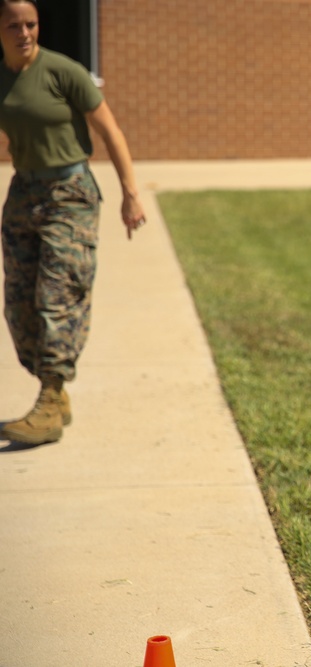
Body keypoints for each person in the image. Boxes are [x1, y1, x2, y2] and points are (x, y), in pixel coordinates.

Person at [0, 0, 145, 445]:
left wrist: (130, 192)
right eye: (14, 25)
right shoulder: (2, 79)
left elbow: (110, 130)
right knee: (20, 305)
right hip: (24, 193)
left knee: (57, 296)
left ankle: (50, 397)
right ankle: (53, 393)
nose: (25, 32)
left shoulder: (64, 71)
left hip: (70, 192)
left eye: (31, 24)